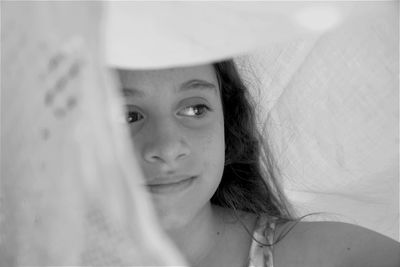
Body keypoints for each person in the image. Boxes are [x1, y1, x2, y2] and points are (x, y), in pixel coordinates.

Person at [117, 60, 399, 267]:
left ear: (227, 124)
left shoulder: (336, 257)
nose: (167, 148)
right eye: (124, 116)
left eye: (195, 109)